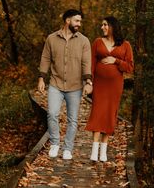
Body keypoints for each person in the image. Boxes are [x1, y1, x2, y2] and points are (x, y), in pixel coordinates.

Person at [37, 9, 93, 160]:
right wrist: (41, 78)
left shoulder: (84, 41)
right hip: (56, 83)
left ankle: (68, 148)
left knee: (72, 119)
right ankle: (55, 143)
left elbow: (86, 63)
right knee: (52, 114)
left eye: (80, 21)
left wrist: (88, 81)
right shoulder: (51, 39)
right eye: (77, 21)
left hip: (75, 86)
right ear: (67, 21)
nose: (79, 24)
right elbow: (45, 58)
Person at [85, 16, 134, 162]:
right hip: (99, 84)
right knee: (98, 112)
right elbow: (91, 64)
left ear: (113, 26)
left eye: (105, 25)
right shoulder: (97, 42)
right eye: (102, 25)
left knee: (109, 113)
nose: (102, 27)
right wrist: (89, 81)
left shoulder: (125, 45)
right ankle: (94, 150)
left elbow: (130, 67)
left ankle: (104, 151)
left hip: (115, 86)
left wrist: (116, 60)